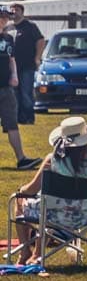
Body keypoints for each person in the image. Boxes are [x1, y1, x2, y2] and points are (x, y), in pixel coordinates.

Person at [11, 115, 87, 261]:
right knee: (47, 205)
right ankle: (37, 253)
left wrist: (21, 191)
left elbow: (30, 190)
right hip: (85, 216)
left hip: (52, 216)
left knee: (20, 200)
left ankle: (25, 251)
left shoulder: (52, 161)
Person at [0, 10, 33, 168]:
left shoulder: (8, 38)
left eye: (5, 17)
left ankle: (21, 159)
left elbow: (11, 59)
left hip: (6, 89)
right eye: (1, 17)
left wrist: (14, 75)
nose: (3, 20)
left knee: (12, 124)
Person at [10, 4, 44, 126]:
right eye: (12, 10)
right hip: (12, 67)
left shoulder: (30, 26)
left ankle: (29, 118)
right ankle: (18, 118)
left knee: (26, 93)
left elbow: (40, 41)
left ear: (22, 12)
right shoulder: (9, 27)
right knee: (14, 94)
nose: (14, 12)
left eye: (17, 10)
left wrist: (37, 58)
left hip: (27, 66)